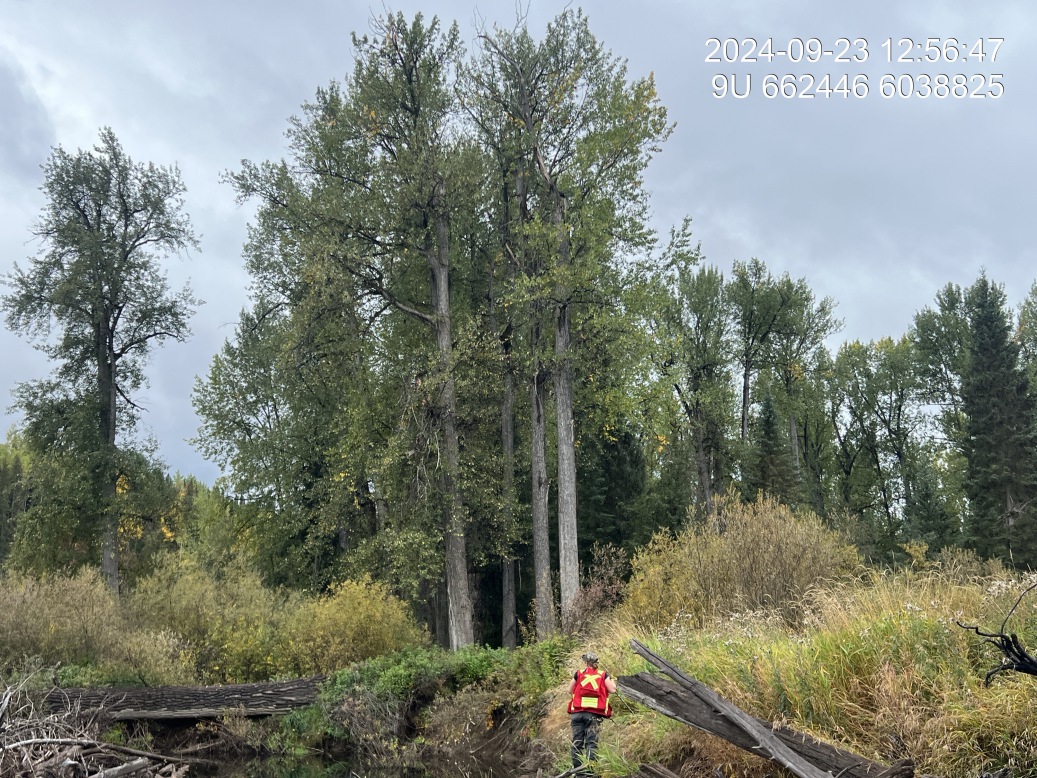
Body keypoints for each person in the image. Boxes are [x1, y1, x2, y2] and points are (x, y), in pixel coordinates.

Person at [567, 651, 617, 771]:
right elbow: (613, 690)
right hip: (593, 715)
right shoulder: (602, 674)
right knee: (591, 743)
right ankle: (590, 772)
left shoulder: (578, 674)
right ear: (596, 662)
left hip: (577, 714)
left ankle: (578, 772)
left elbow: (570, 690)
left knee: (577, 744)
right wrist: (612, 680)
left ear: (585, 662)